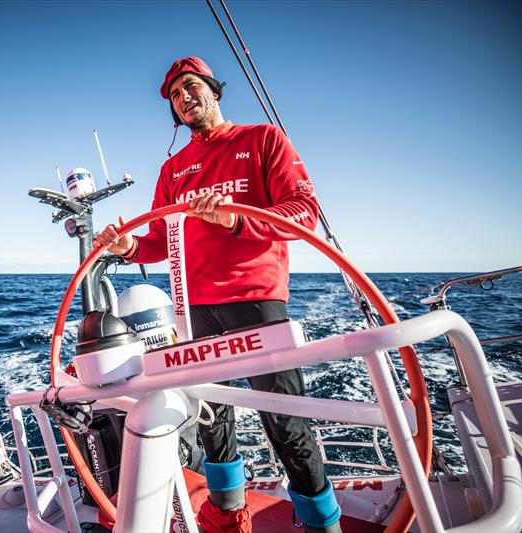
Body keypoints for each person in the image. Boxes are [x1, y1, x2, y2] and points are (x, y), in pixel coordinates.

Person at [93, 57, 341, 533]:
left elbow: (303, 211)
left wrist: (234, 217)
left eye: (190, 87)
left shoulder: (262, 139)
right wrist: (128, 247)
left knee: (285, 421)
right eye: (174, 96)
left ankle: (320, 523)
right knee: (210, 414)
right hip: (193, 309)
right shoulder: (173, 168)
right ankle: (228, 510)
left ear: (213, 90)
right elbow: (161, 239)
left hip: (257, 299)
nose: (184, 98)